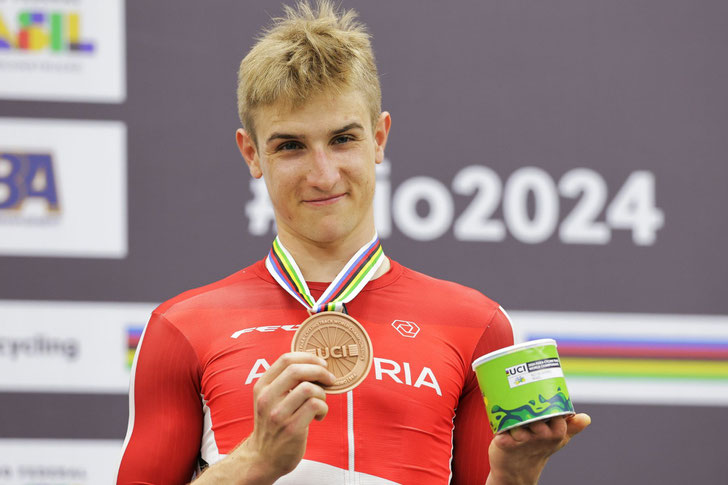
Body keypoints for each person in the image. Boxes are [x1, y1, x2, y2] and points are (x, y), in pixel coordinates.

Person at [115, 2, 590, 484]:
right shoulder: (183, 328)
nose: (323, 175)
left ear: (379, 138)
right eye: (290, 146)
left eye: (343, 139)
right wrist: (254, 460)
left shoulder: (476, 324)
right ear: (251, 153)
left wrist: (516, 476)